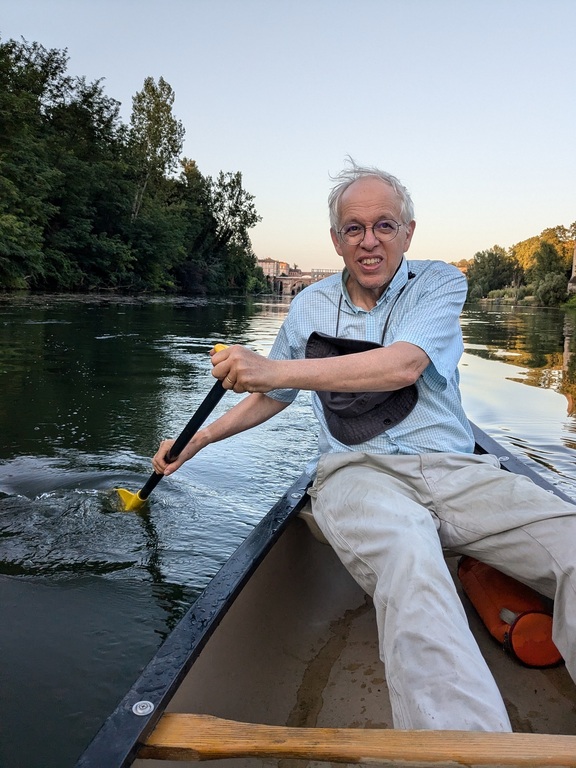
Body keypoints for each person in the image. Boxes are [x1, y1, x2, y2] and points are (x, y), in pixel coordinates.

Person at [152, 159, 576, 732]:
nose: (369, 240)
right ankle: (462, 746)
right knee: (410, 558)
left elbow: (401, 367)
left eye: (384, 225)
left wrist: (274, 368)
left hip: (457, 470)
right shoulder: (308, 306)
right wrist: (198, 438)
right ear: (336, 239)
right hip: (357, 473)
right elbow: (275, 395)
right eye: (354, 228)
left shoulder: (441, 282)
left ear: (408, 232)